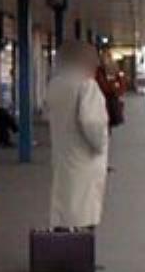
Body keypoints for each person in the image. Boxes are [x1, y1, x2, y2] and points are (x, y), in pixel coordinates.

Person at [47, 41, 110, 230]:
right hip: (84, 160)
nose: (96, 64)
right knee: (82, 213)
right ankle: (79, 247)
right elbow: (91, 122)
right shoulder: (86, 85)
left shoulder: (56, 84)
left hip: (63, 155)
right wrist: (101, 144)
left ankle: (63, 242)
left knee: (64, 209)